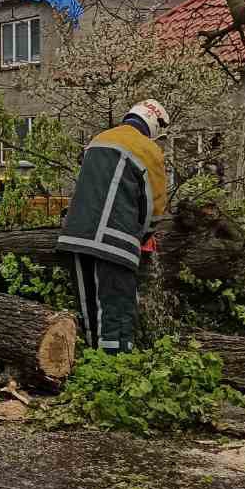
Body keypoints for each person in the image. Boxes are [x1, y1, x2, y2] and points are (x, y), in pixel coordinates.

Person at [57, 100, 169, 355]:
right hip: (116, 241)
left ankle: (89, 367)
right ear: (154, 126)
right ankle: (116, 371)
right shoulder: (148, 150)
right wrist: (144, 236)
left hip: (75, 236)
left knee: (89, 312)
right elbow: (155, 205)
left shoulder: (98, 139)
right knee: (116, 314)